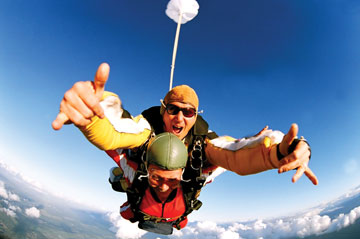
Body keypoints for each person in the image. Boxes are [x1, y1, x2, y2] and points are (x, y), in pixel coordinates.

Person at [52, 63, 318, 231]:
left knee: (209, 173)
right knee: (125, 183)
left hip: (178, 213)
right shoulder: (146, 130)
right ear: (163, 109)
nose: (180, 118)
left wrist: (280, 151)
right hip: (142, 204)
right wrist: (92, 115)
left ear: (196, 115)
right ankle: (130, 192)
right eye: (173, 109)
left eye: (188, 112)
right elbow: (117, 131)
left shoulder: (203, 147)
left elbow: (235, 154)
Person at [112, 132, 192, 234]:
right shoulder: (191, 188)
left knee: (116, 181)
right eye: (157, 177)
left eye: (171, 179)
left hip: (166, 214)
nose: (163, 187)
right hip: (173, 217)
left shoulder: (134, 175)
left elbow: (112, 147)